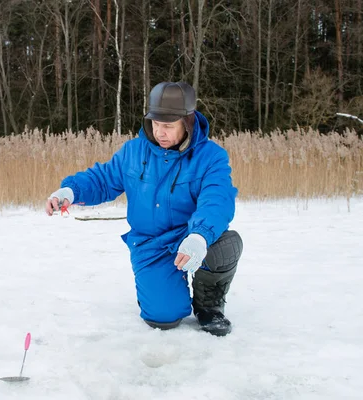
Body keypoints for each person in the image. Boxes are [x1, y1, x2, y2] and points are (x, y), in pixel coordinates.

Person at [45, 81, 243, 337]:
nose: (160, 132)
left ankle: (208, 305)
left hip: (188, 236)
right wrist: (71, 191)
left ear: (188, 121)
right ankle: (156, 290)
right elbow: (103, 179)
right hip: (150, 245)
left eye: (168, 126)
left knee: (225, 245)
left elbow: (217, 199)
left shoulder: (211, 157)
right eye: (155, 124)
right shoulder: (133, 151)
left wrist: (199, 235)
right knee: (164, 317)